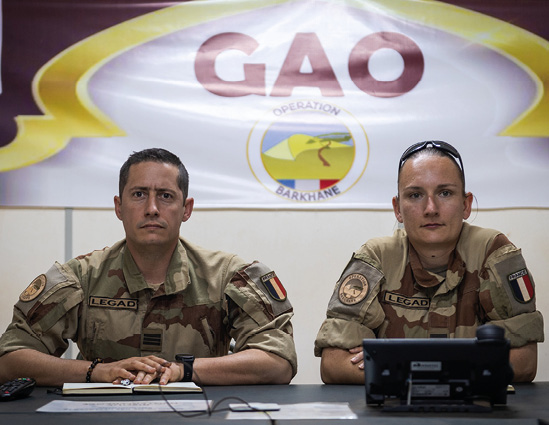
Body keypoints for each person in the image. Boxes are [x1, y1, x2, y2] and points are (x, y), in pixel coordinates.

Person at [0, 148, 297, 387]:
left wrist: (184, 371)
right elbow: (9, 359)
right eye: (139, 194)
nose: (152, 208)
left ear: (186, 209)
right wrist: (97, 372)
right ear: (119, 206)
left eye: (165, 196)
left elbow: (279, 361)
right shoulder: (79, 278)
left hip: (198, 417)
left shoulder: (229, 277)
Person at [315, 140, 544, 384]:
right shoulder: (377, 257)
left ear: (466, 205)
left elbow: (524, 362)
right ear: (398, 209)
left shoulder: (493, 252)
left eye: (445, 193)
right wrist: (468, 365)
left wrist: (393, 364)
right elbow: (333, 364)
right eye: (415, 195)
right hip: (393, 415)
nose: (431, 208)